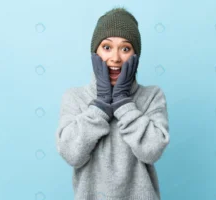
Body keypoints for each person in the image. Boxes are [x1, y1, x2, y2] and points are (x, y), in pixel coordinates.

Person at [55, 6, 170, 200]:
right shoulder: (75, 97)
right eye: (107, 47)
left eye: (125, 48)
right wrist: (100, 105)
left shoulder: (151, 96)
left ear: (136, 56)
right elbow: (71, 154)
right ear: (94, 53)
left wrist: (124, 103)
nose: (115, 58)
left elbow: (152, 151)